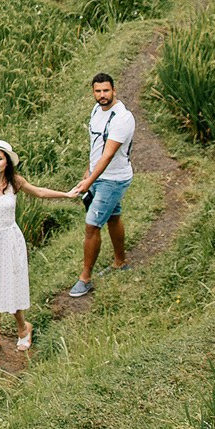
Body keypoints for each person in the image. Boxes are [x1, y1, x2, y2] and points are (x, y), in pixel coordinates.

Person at [0, 139, 74, 358]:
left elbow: (39, 192)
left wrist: (66, 194)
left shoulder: (15, 182)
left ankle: (23, 328)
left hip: (10, 240)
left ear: (7, 162)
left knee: (10, 285)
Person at [62, 72, 135, 298]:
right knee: (113, 217)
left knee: (92, 225)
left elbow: (108, 154)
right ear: (93, 92)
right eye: (98, 91)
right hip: (97, 175)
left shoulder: (122, 118)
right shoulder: (96, 110)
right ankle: (120, 262)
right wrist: (88, 172)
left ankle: (85, 279)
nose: (102, 95)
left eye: (106, 90)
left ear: (114, 90)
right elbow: (95, 147)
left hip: (112, 179)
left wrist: (89, 181)